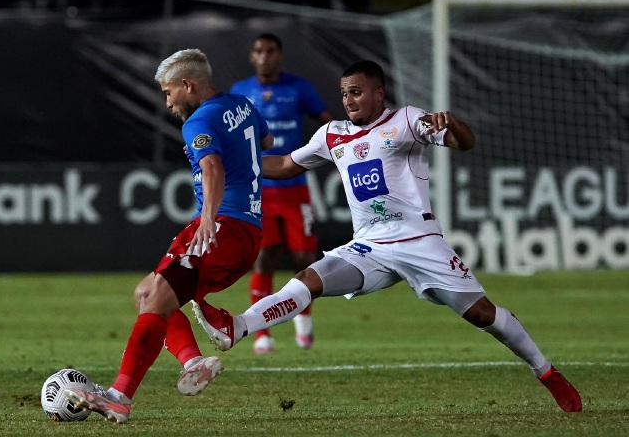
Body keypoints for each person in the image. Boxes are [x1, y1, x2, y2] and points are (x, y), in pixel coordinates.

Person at [193, 60, 582, 413]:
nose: (348, 99)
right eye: (344, 93)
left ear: (379, 93)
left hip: (419, 241)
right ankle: (237, 327)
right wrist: (229, 159)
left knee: (484, 315)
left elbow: (464, 143)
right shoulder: (332, 135)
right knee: (309, 279)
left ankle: (547, 373)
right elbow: (282, 165)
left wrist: (453, 124)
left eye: (357, 92)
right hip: (369, 246)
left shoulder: (407, 121)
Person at [65, 49, 273, 423]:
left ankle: (119, 397)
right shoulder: (242, 105)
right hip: (248, 232)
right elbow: (267, 143)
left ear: (187, 85)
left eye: (167, 92)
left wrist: (208, 218)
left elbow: (212, 167)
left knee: (156, 298)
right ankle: (194, 361)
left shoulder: (198, 121)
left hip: (221, 226)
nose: (167, 101)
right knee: (147, 293)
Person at [230, 33, 333, 354]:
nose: (265, 56)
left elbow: (326, 121)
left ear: (280, 55)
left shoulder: (299, 88)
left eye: (270, 51)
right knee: (264, 258)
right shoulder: (240, 92)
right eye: (259, 51)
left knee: (304, 258)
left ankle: (303, 326)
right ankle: (262, 334)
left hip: (295, 189)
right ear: (252, 56)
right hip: (259, 193)